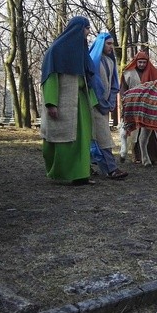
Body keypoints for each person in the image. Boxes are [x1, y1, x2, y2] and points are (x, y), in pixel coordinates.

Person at [40, 16, 99, 186]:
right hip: (63, 102)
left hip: (81, 102)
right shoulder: (56, 51)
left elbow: (87, 80)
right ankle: (61, 172)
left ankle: (81, 175)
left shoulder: (81, 52)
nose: (88, 32)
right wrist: (51, 103)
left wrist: (93, 101)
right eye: (86, 28)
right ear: (77, 29)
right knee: (63, 138)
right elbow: (50, 78)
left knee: (82, 140)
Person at [88, 32, 127, 179]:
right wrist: (99, 102)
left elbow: (114, 85)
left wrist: (110, 102)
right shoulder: (91, 60)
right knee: (96, 137)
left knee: (101, 137)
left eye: (112, 44)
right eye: (108, 44)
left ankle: (105, 167)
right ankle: (110, 169)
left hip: (104, 107)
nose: (111, 46)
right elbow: (92, 84)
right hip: (92, 105)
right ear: (101, 44)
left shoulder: (110, 62)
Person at [120, 51, 157, 164]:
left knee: (151, 130)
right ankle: (138, 157)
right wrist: (125, 101)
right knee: (136, 131)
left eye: (144, 62)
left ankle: (155, 157)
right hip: (134, 106)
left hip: (149, 107)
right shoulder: (128, 73)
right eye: (139, 62)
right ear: (136, 62)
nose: (141, 64)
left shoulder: (153, 73)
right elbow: (123, 90)